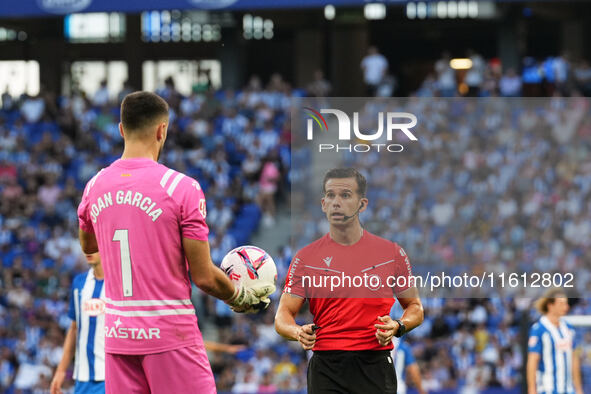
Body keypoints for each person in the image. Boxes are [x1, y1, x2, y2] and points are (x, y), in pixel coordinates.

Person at [77, 91, 269, 393]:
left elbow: (89, 247)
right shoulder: (181, 188)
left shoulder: (95, 186)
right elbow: (204, 277)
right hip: (169, 336)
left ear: (121, 129)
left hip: (117, 336)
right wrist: (239, 297)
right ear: (161, 130)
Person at [275, 168, 424, 394]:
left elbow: (415, 308)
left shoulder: (392, 253)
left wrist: (398, 326)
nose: (336, 202)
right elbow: (283, 315)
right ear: (323, 204)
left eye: (345, 195)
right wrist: (297, 332)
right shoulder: (305, 258)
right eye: (330, 196)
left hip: (374, 364)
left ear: (362, 204)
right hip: (326, 367)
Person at [50, 252, 105, 394]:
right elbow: (74, 328)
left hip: (110, 375)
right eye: (85, 245)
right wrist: (61, 370)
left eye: (94, 247)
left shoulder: (119, 284)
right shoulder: (79, 283)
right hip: (83, 377)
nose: (88, 250)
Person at [527, 288, 583, 394]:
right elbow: (533, 361)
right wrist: (532, 389)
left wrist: (579, 389)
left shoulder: (568, 328)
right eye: (561, 303)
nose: (566, 307)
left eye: (566, 303)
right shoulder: (539, 329)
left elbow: (574, 360)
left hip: (568, 390)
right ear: (550, 305)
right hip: (547, 389)